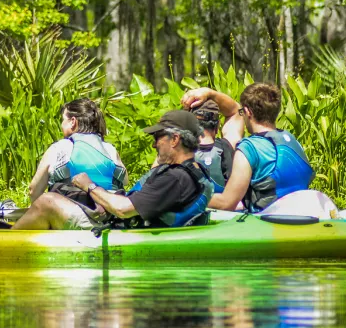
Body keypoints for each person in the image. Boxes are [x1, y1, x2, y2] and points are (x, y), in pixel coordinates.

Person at [13, 110, 213, 230]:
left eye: (157, 138)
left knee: (48, 202)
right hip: (126, 220)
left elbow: (123, 209)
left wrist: (89, 186)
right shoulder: (194, 172)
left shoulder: (175, 178)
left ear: (175, 140)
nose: (154, 146)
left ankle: (7, 241)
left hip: (118, 229)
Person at [182, 83, 314, 212]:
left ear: (247, 112)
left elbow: (226, 203)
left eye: (242, 112)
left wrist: (184, 197)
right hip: (302, 215)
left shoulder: (249, 148)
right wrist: (210, 93)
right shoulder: (291, 139)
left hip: (269, 222)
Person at [27, 98, 127, 208]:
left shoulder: (59, 148)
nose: (61, 125)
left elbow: (34, 190)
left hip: (67, 215)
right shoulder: (110, 149)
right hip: (107, 215)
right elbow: (125, 181)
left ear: (72, 122)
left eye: (63, 120)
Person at [190, 99, 234, 193]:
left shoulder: (183, 149)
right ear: (218, 125)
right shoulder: (224, 147)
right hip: (222, 205)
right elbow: (235, 112)